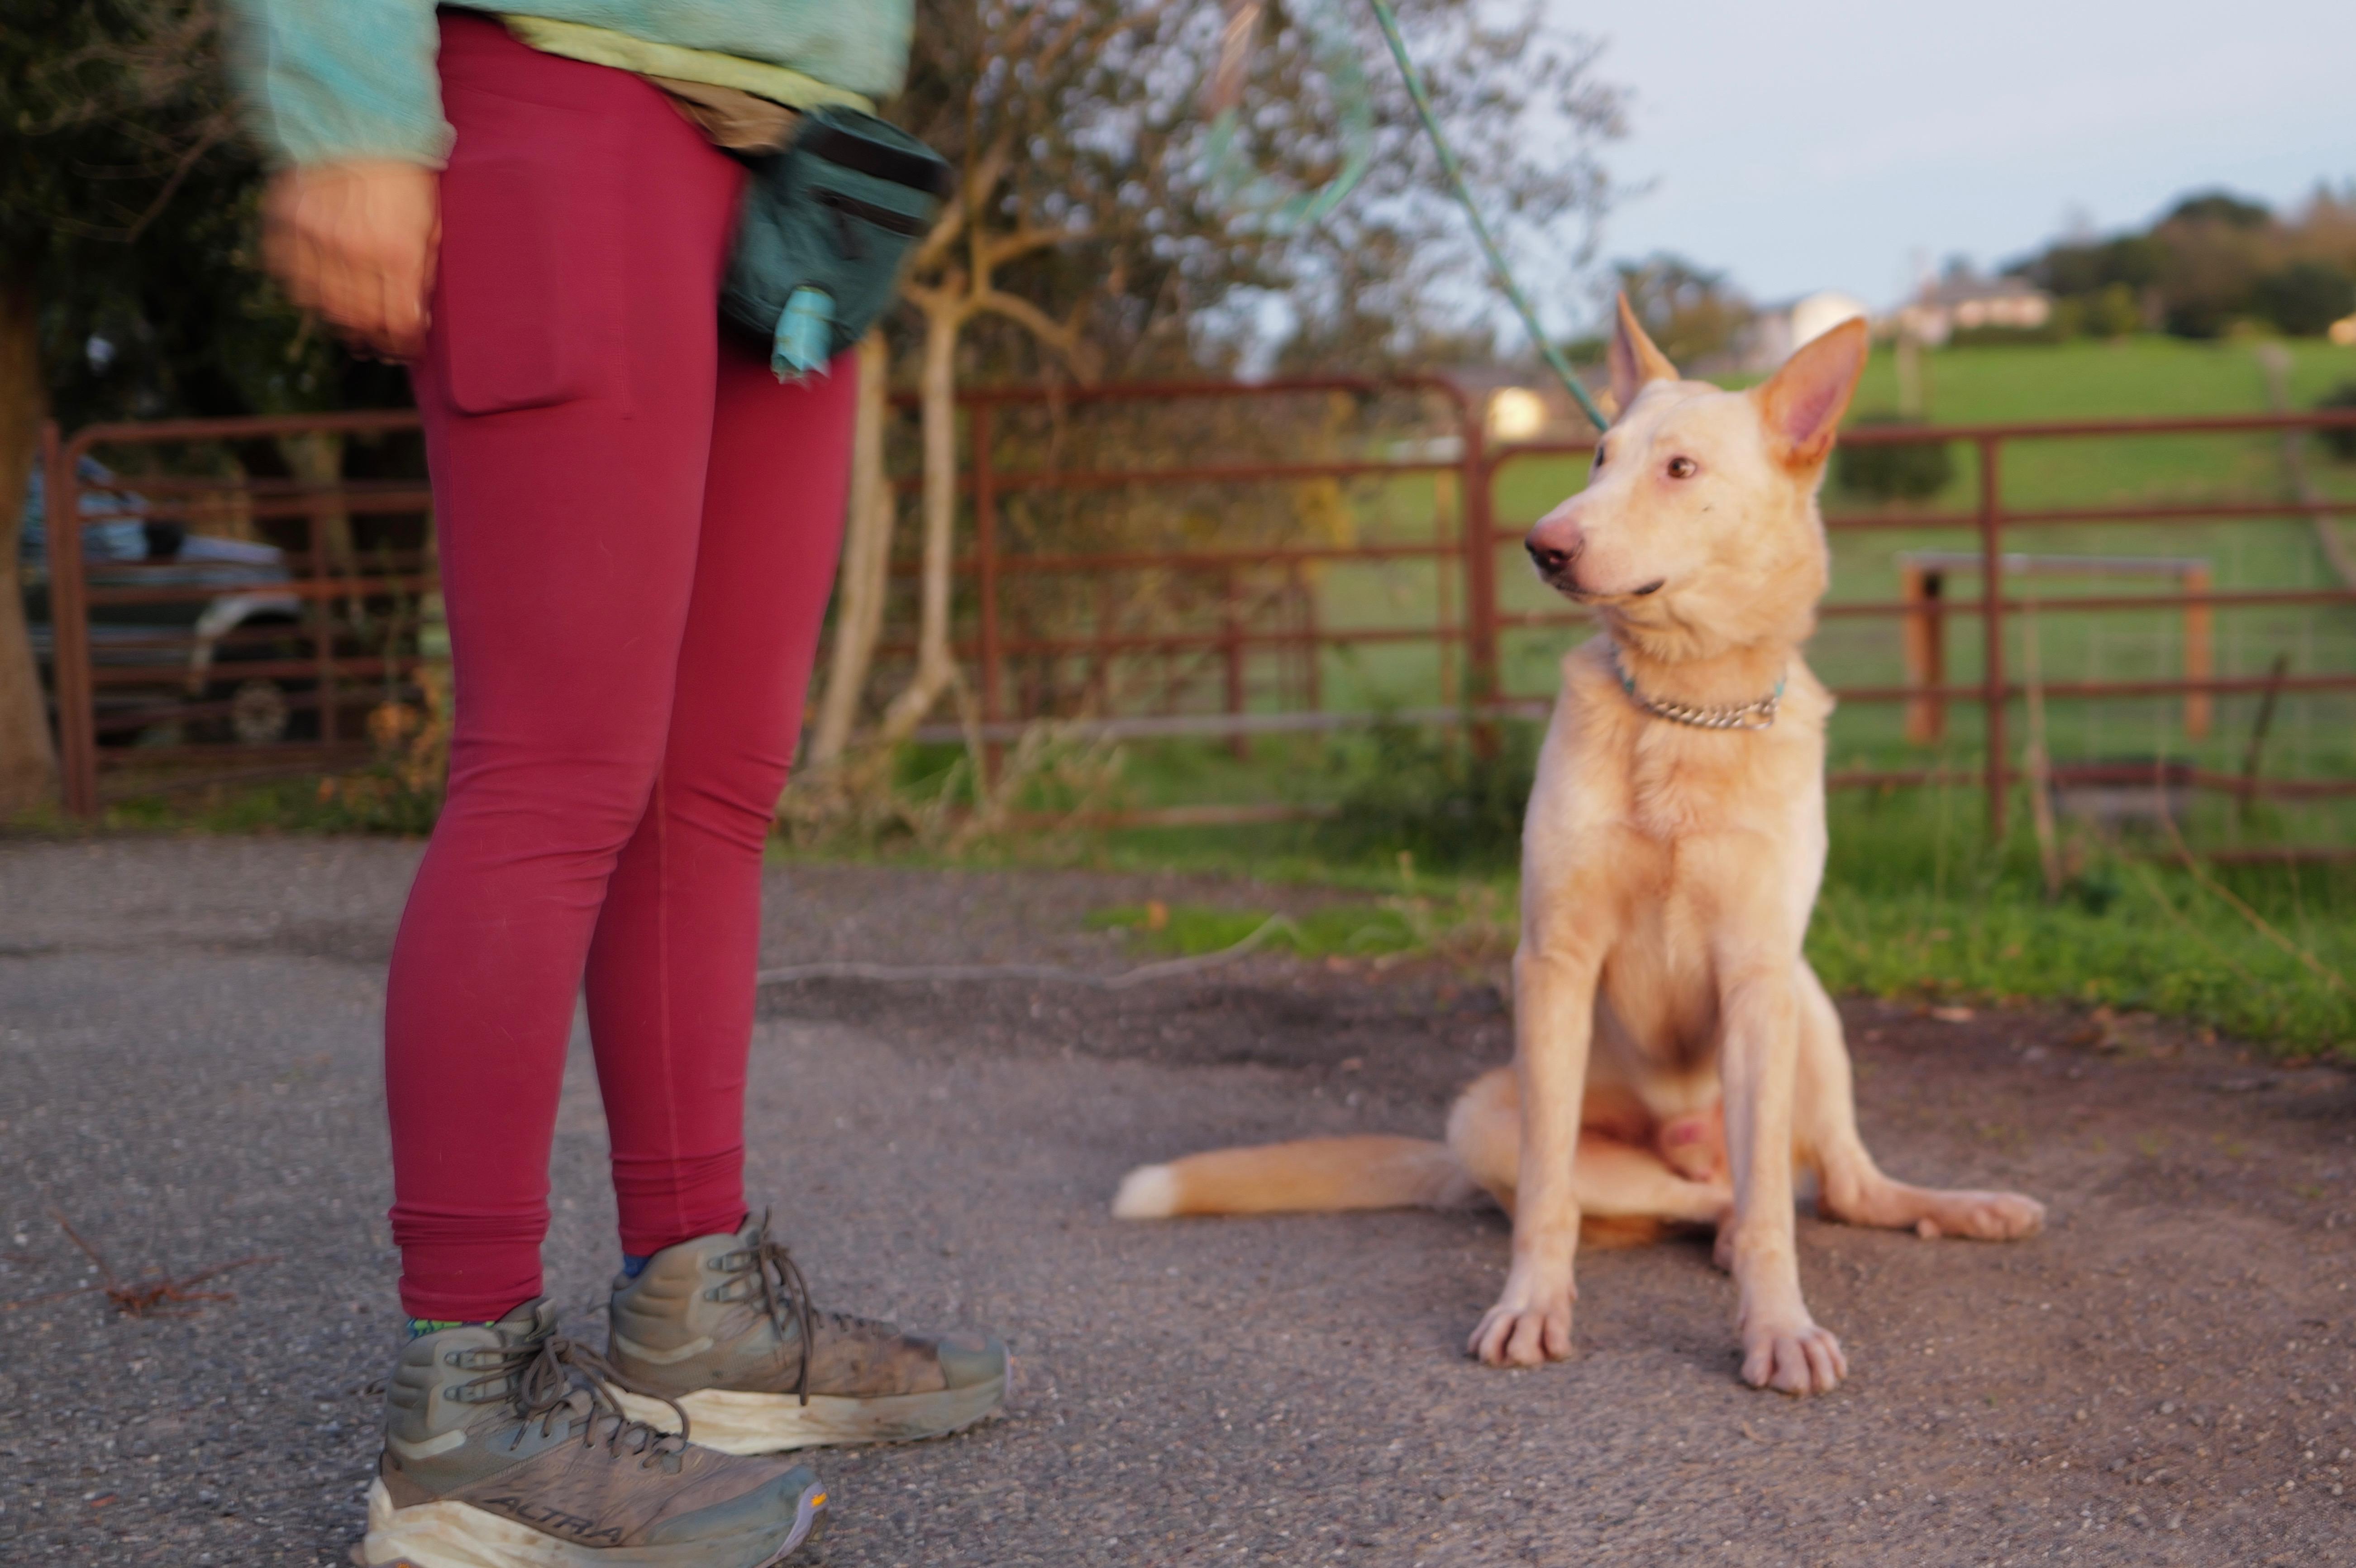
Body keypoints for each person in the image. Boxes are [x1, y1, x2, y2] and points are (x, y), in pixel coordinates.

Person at [224, 6, 1005, 1564]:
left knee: (712, 785)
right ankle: (463, 1409)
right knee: (554, 771)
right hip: (564, 92)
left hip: (793, 155)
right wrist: (345, 96)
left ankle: (694, 1309)